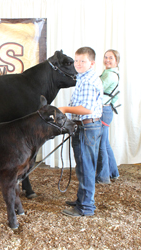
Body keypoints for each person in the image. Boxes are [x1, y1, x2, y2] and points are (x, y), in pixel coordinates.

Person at [58, 47, 103, 217]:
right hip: (85, 127)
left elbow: (87, 109)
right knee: (83, 166)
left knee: (86, 168)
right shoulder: (83, 78)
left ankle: (85, 207)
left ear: (91, 63)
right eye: (76, 61)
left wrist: (64, 108)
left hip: (87, 127)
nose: (78, 64)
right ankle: (82, 199)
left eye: (82, 61)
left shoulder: (89, 81)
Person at [96, 50, 120, 184]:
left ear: (116, 60)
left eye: (111, 58)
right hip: (107, 110)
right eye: (105, 57)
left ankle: (103, 176)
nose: (107, 60)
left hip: (103, 110)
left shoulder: (110, 75)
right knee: (105, 143)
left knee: (101, 144)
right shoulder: (110, 72)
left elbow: (97, 89)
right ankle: (113, 172)